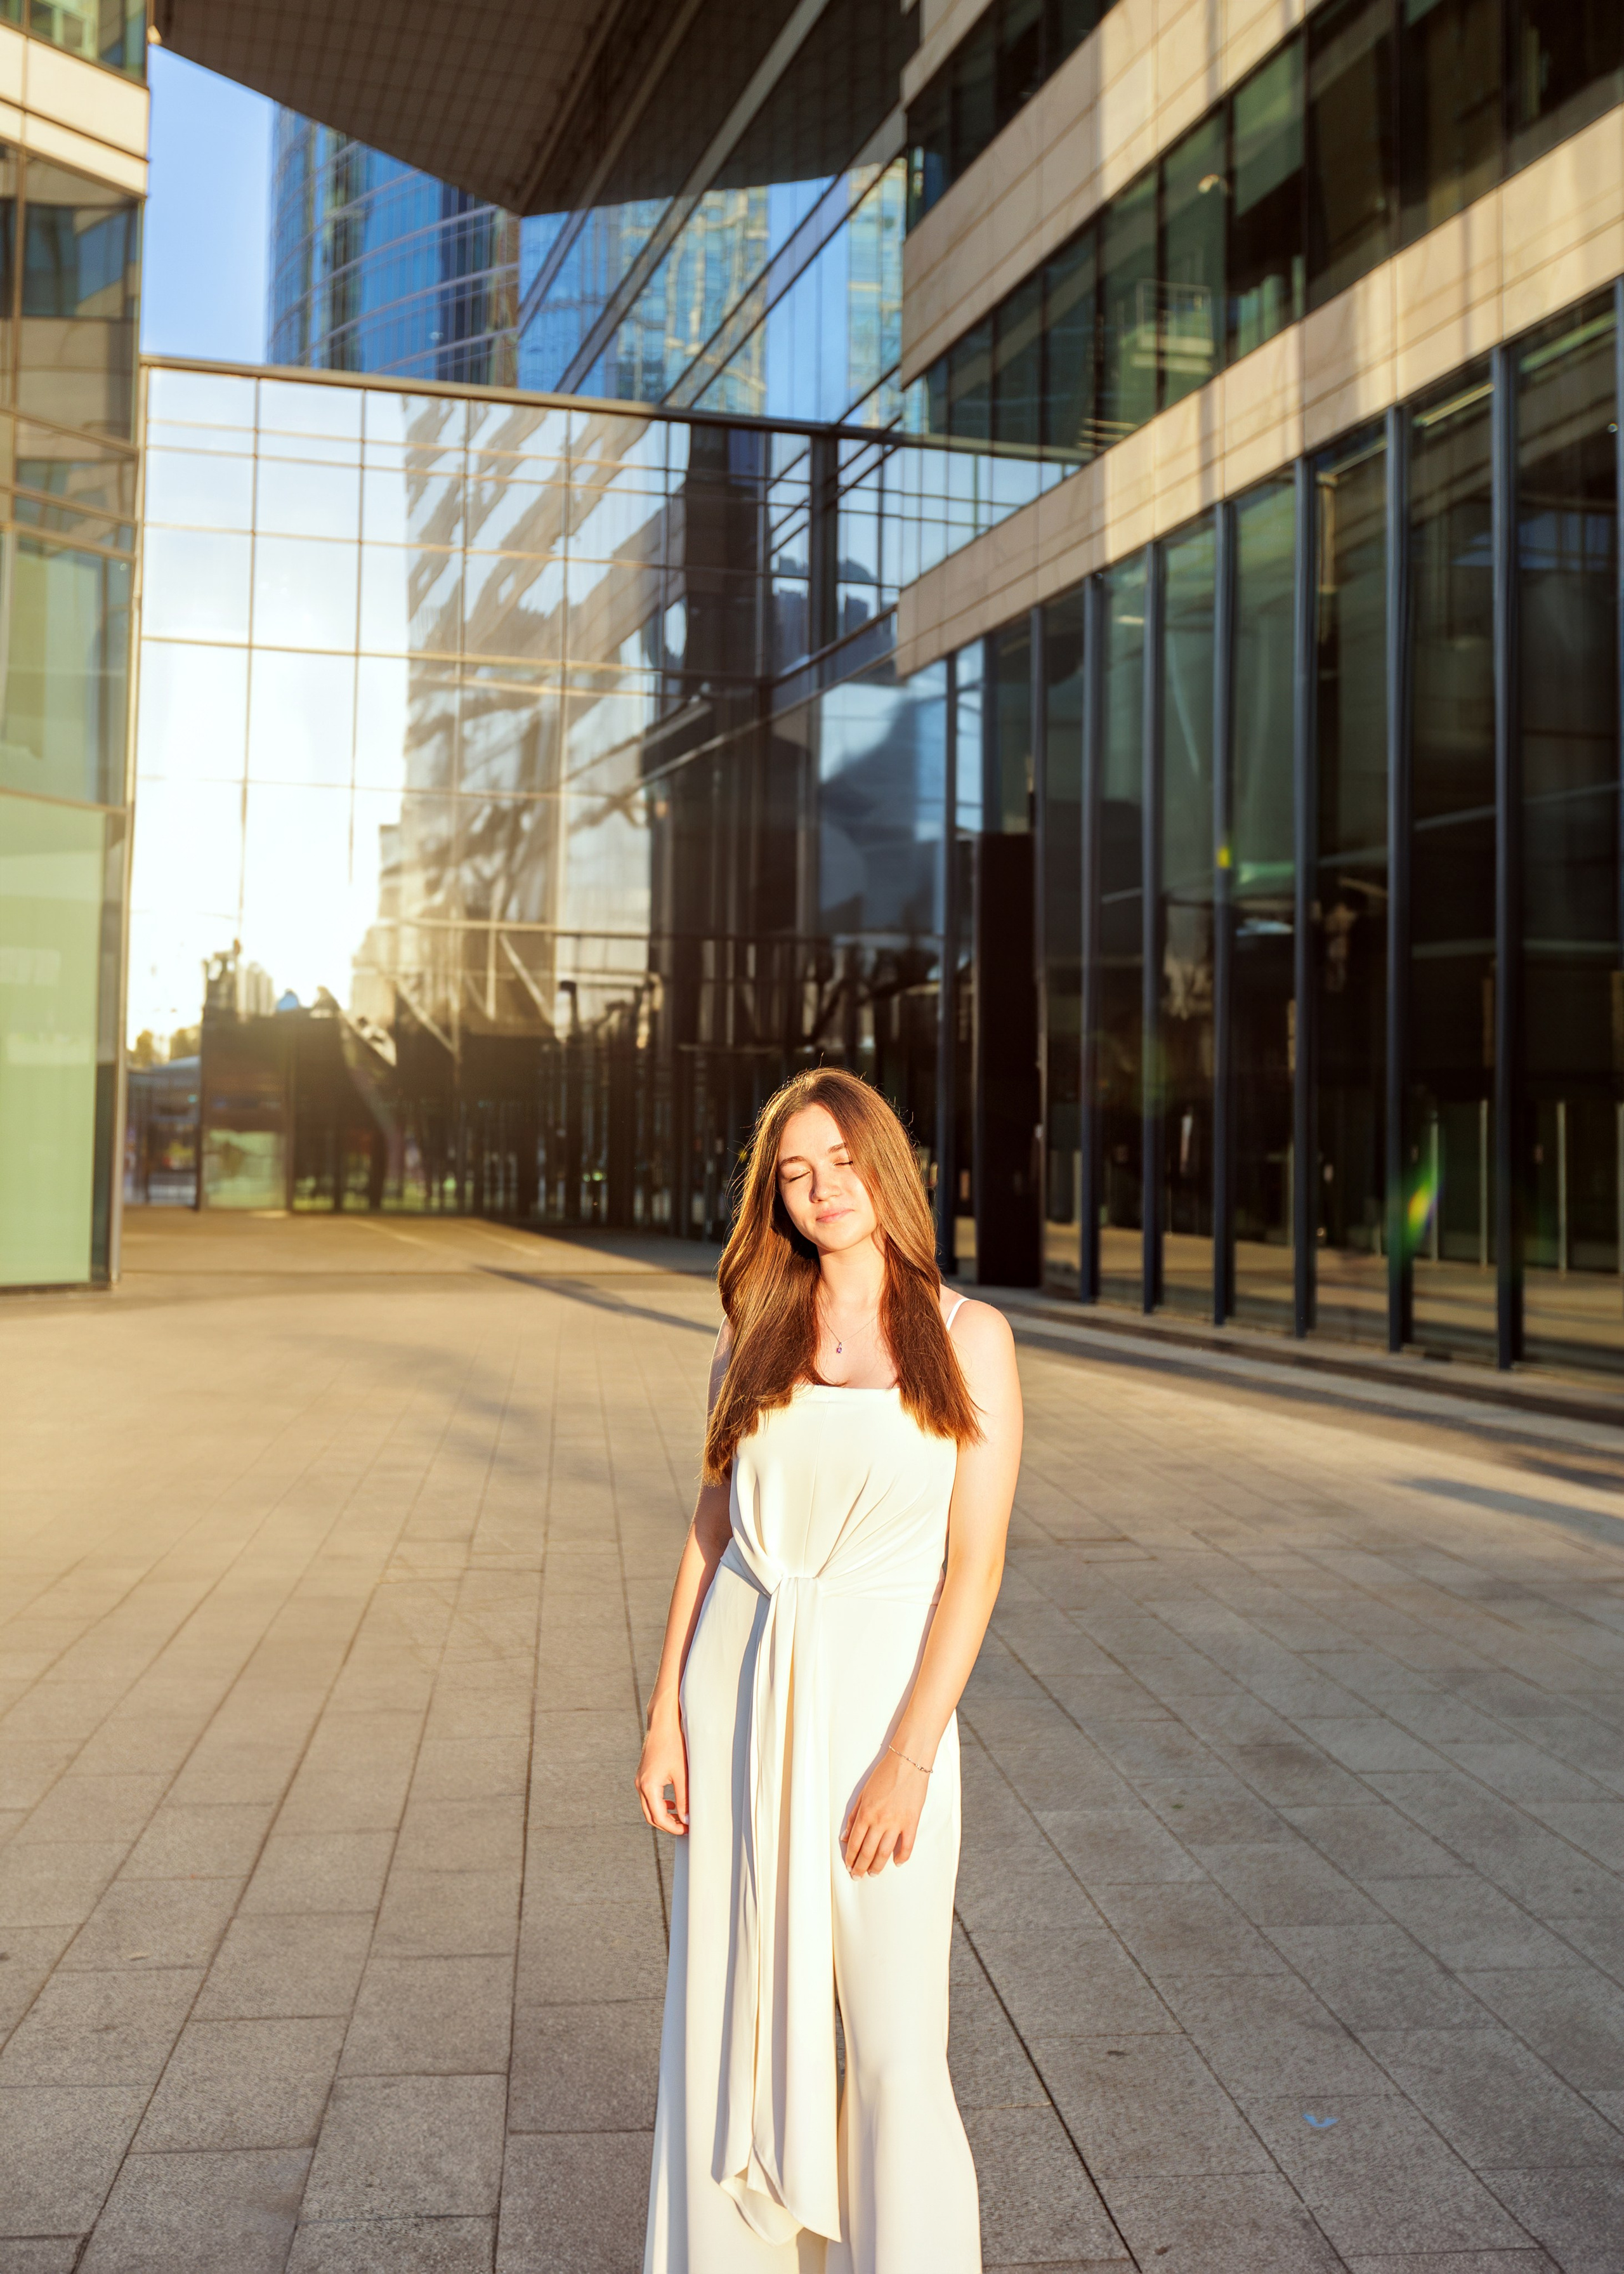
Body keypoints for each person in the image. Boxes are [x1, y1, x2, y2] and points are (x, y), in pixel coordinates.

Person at [636, 1066, 1024, 2273]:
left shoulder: (971, 1338)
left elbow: (975, 1566)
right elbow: (710, 1531)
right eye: (796, 1173)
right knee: (728, 2016)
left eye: (842, 1163)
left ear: (885, 1166)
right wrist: (664, 1718)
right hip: (738, 1687)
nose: (823, 1190)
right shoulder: (751, 1332)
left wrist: (910, 1760)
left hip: (881, 1713)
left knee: (900, 2040)